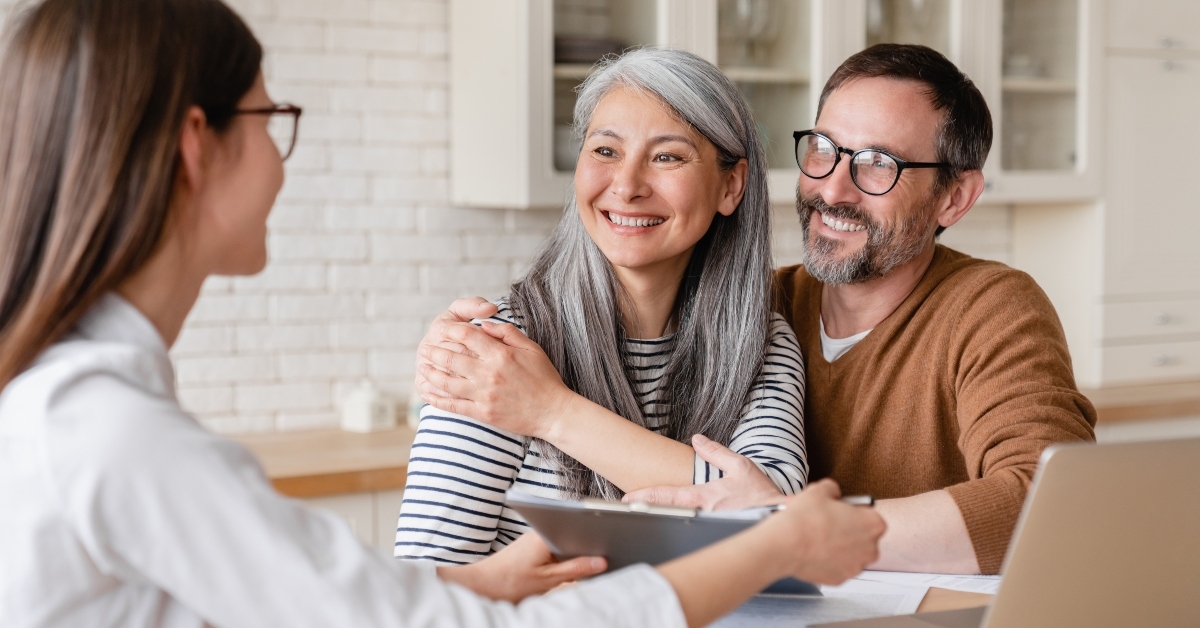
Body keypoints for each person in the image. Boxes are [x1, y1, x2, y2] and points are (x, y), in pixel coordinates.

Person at [0, 1, 886, 626]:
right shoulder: (112, 434)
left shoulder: (85, 415)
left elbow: (392, 610)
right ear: (197, 147)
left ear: (732, 184)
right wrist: (773, 543)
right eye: (273, 118)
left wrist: (489, 573)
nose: (281, 158)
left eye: (666, 156)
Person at [415, 44, 1097, 576]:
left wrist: (788, 524)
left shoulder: (763, 331)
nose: (834, 188)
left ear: (954, 198)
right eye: (825, 151)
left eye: (879, 164)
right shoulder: (767, 308)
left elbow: (1051, 503)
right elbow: (423, 582)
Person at [398, 48, 808, 564]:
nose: (628, 186)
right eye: (606, 151)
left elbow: (774, 516)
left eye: (667, 156)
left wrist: (552, 411)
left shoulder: (761, 341)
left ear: (731, 185)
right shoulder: (499, 354)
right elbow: (424, 586)